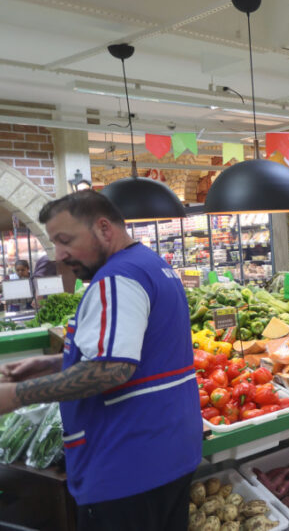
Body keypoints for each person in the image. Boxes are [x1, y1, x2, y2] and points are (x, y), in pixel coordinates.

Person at [0, 191, 200, 530]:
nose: (59, 255)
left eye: (65, 240)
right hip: (168, 452)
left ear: (104, 229)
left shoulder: (116, 278)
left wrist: (17, 395)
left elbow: (113, 368)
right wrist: (52, 363)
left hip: (127, 465)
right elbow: (134, 351)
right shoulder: (151, 265)